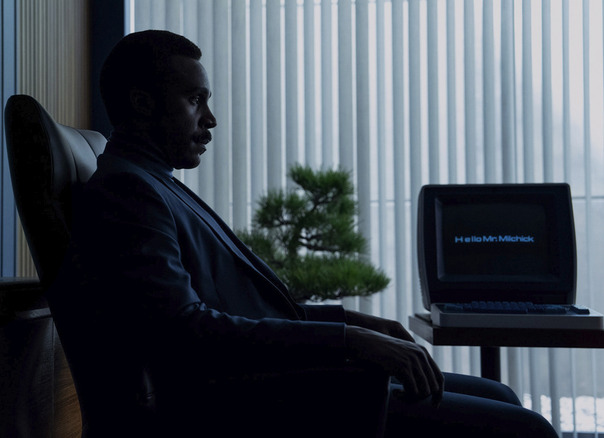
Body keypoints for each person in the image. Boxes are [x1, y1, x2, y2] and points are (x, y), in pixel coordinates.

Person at [52, 29, 558, 438]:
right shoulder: (128, 192)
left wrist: (355, 324)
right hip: (263, 405)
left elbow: (236, 313)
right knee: (526, 428)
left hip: (288, 384)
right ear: (142, 105)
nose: (210, 119)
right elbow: (185, 332)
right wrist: (350, 342)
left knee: (503, 398)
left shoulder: (153, 183)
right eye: (194, 99)